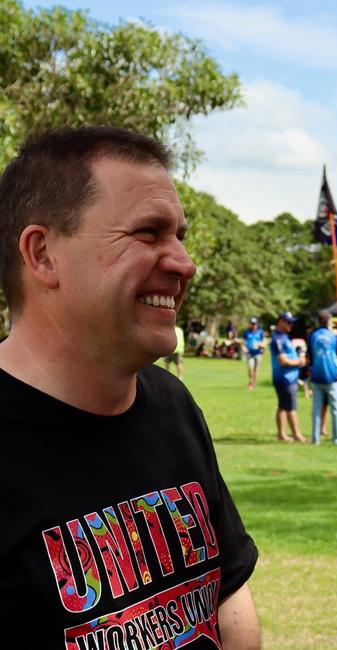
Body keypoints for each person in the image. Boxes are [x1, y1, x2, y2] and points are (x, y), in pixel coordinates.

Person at [0, 127, 260, 648]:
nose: (185, 263)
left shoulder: (171, 402)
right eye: (147, 233)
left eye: (179, 236)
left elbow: (226, 595)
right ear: (43, 254)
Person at [307, 310, 337, 445]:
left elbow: (309, 356)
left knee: (316, 409)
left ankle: (315, 438)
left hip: (317, 376)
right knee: (335, 409)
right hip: (332, 376)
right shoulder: (334, 336)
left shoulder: (312, 336)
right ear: (328, 321)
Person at [270, 311, 307, 443]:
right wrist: (299, 362)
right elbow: (283, 361)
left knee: (283, 406)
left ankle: (281, 434)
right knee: (291, 407)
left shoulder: (284, 337)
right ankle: (297, 434)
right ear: (280, 321)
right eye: (288, 322)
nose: (291, 325)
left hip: (287, 378)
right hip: (285, 379)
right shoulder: (278, 339)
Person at [243, 317, 266, 389]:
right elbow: (243, 342)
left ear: (256, 324)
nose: (253, 325)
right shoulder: (247, 332)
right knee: (250, 368)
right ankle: (250, 382)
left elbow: (264, 341)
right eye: (252, 324)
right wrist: (244, 348)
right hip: (250, 353)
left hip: (258, 353)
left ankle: (254, 383)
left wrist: (261, 345)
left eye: (254, 324)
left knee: (256, 369)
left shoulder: (260, 332)